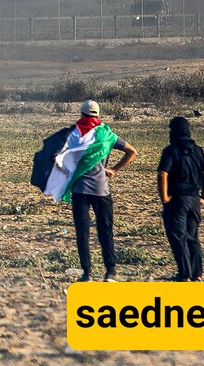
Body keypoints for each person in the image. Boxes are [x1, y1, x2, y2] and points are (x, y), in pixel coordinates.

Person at [45, 99, 136, 282]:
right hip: (102, 189)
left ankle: (86, 274)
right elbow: (131, 151)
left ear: (81, 114)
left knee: (82, 232)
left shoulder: (73, 135)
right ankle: (111, 272)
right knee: (106, 231)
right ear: (98, 115)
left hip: (79, 191)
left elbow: (58, 158)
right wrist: (114, 170)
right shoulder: (106, 135)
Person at [157, 116, 204, 282]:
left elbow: (163, 174)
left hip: (177, 199)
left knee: (178, 237)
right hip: (194, 199)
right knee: (192, 236)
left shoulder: (171, 150)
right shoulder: (197, 150)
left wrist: (164, 197)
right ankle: (197, 274)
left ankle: (185, 274)